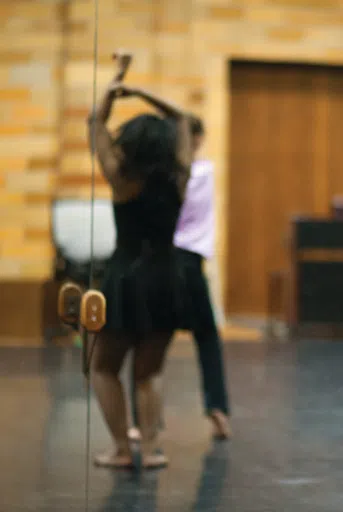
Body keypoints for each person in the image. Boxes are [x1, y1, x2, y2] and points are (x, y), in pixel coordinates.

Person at [87, 52, 193, 469]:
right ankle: (149, 451)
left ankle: (120, 448)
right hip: (168, 275)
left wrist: (117, 85)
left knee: (104, 367)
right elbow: (182, 117)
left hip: (126, 276)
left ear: (127, 145)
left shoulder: (120, 177)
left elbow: (95, 123)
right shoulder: (180, 175)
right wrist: (143, 92)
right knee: (150, 371)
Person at [128, 117, 233, 441]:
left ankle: (141, 420)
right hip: (186, 263)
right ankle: (217, 407)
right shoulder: (200, 172)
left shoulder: (153, 179)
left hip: (160, 265)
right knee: (206, 337)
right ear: (195, 138)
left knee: (148, 343)